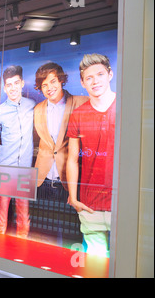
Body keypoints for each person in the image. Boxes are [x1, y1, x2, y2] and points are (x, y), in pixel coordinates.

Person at [66, 53, 116, 257]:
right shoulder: (78, 114)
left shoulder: (129, 107)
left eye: (100, 74)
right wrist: (72, 196)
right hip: (89, 205)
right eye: (89, 78)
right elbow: (72, 159)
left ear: (110, 75)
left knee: (128, 263)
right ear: (82, 82)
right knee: (96, 263)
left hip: (122, 202)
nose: (95, 81)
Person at [33, 62, 89, 242]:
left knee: (69, 235)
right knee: (41, 232)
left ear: (62, 80)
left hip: (67, 181)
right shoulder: (38, 108)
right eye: (44, 85)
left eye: (53, 81)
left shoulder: (81, 102)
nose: (49, 88)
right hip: (42, 180)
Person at [0, 66, 35, 237]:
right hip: (4, 172)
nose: (13, 88)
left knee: (24, 220)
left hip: (24, 172)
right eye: (9, 84)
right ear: (5, 87)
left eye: (16, 83)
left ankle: (20, 256)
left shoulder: (32, 106)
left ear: (22, 83)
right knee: (0, 220)